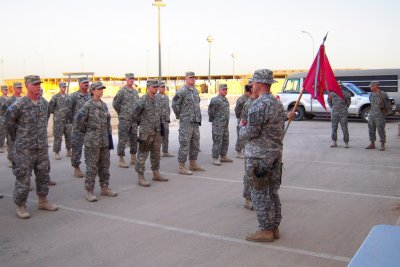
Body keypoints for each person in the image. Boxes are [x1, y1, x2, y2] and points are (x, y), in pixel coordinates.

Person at [239, 69, 294, 242]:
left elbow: (252, 131)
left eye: (254, 82)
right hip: (275, 154)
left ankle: (266, 230)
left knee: (260, 192)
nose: (251, 85)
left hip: (259, 156)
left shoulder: (259, 105)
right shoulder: (276, 103)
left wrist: (242, 128)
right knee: (272, 192)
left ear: (261, 84)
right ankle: (274, 227)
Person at [4, 75, 58, 219]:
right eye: (34, 84)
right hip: (24, 149)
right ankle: (21, 205)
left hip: (41, 147)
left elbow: (45, 120)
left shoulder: (44, 104)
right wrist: (19, 138)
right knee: (23, 177)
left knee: (43, 175)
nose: (38, 86)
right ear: (27, 85)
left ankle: (43, 200)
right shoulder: (18, 105)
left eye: (39, 84)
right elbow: (8, 123)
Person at [75, 81, 117, 202]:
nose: (101, 91)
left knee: (105, 166)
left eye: (102, 89)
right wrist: (89, 133)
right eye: (98, 89)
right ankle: (89, 191)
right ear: (92, 91)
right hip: (92, 142)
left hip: (104, 141)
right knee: (92, 167)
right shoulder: (87, 106)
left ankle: (105, 187)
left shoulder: (103, 105)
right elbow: (79, 122)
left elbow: (107, 123)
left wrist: (108, 139)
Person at [132, 79, 168, 187]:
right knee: (143, 155)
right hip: (146, 133)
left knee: (156, 154)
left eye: (157, 87)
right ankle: (140, 176)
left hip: (157, 132)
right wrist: (142, 124)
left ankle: (155, 173)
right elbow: (134, 115)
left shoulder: (158, 100)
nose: (156, 88)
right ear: (148, 88)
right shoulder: (142, 100)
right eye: (154, 87)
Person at [172, 71, 204, 175]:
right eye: (190, 77)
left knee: (195, 143)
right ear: (185, 78)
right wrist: (181, 116)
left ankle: (193, 164)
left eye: (194, 77)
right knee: (185, 143)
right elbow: (175, 104)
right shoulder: (182, 91)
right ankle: (181, 166)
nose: (193, 79)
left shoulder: (195, 91)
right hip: (186, 122)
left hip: (195, 122)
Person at [113, 73, 139, 168]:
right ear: (126, 79)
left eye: (133, 79)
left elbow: (137, 105)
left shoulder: (135, 92)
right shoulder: (122, 91)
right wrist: (122, 113)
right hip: (124, 120)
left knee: (134, 139)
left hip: (134, 120)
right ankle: (121, 159)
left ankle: (133, 157)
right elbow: (115, 104)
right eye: (130, 79)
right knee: (122, 139)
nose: (132, 80)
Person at [241, 82, 259, 210]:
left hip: (261, 144)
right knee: (249, 172)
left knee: (260, 172)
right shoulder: (249, 104)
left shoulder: (261, 102)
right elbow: (243, 125)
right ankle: (248, 199)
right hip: (251, 144)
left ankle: (257, 196)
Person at [69, 77, 91, 178]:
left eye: (87, 82)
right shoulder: (73, 96)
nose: (86, 84)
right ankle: (76, 168)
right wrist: (74, 122)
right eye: (84, 83)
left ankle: (90, 167)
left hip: (89, 127)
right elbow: (68, 111)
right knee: (77, 148)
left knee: (90, 148)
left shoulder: (91, 95)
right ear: (79, 84)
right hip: (78, 128)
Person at [208, 83, 232, 166]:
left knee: (225, 140)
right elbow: (211, 112)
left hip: (225, 124)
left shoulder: (226, 100)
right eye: (223, 89)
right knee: (217, 141)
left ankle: (223, 156)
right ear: (219, 90)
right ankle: (215, 157)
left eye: (226, 89)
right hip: (218, 124)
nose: (225, 91)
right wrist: (214, 120)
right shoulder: (215, 100)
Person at [1, 82, 23, 168]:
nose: (19, 89)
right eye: (18, 88)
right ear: (14, 88)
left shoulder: (24, 99)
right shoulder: (10, 100)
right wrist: (7, 123)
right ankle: (10, 159)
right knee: (11, 142)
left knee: (22, 143)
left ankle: (20, 159)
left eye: (21, 87)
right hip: (12, 126)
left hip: (22, 126)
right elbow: (3, 112)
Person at [49, 82, 72, 159]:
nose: (64, 88)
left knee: (69, 136)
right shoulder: (55, 97)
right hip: (58, 121)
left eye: (65, 87)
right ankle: (57, 152)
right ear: (59, 87)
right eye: (63, 87)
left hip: (67, 120)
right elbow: (50, 108)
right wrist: (58, 113)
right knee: (58, 137)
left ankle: (69, 150)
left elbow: (71, 107)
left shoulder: (69, 97)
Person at [365, 81, 391, 151]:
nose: (370, 87)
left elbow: (388, 105)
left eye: (371, 86)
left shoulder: (383, 94)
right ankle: (372, 143)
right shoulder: (371, 94)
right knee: (371, 130)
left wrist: (384, 114)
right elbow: (371, 104)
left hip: (380, 115)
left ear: (376, 86)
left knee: (381, 130)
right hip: (372, 114)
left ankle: (382, 144)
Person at [327, 82, 351, 148]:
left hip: (343, 113)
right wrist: (333, 107)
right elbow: (329, 101)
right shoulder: (332, 94)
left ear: (341, 86)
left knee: (344, 128)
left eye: (340, 86)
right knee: (334, 128)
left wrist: (344, 108)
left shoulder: (345, 94)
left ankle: (346, 142)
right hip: (334, 113)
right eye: (338, 85)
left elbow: (348, 102)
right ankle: (334, 142)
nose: (339, 87)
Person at [156, 81, 174, 157]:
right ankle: (157, 153)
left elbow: (168, 108)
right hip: (158, 120)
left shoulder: (166, 97)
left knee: (166, 136)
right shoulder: (156, 97)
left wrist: (168, 117)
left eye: (164, 87)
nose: (163, 88)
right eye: (161, 87)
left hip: (165, 120)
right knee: (158, 137)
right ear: (158, 88)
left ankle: (165, 152)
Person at [234, 84, 251, 158]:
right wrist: (239, 117)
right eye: (249, 92)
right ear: (246, 91)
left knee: (247, 136)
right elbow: (237, 110)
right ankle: (238, 151)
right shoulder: (241, 99)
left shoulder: (251, 98)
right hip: (242, 119)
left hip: (249, 120)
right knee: (241, 136)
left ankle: (245, 150)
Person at [0, 85, 9, 153]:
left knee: (9, 132)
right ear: (1, 90)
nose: (6, 90)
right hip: (2, 117)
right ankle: (1, 147)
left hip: (9, 117)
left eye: (6, 89)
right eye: (4, 89)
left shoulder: (9, 98)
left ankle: (9, 146)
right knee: (2, 132)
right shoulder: (0, 99)